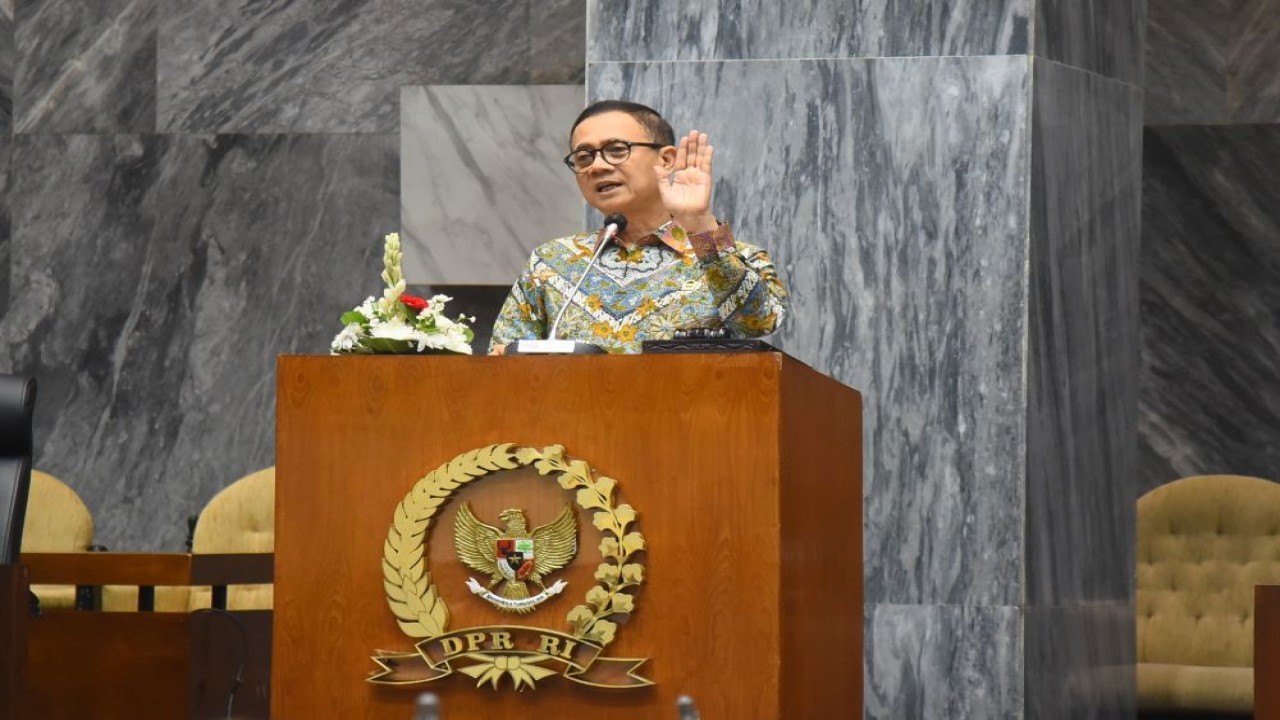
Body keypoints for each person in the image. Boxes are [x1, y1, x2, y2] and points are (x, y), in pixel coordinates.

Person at [489, 100, 788, 354]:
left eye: (617, 150)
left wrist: (700, 226)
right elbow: (500, 362)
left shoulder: (736, 254)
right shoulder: (551, 262)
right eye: (584, 157)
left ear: (667, 159)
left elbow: (759, 322)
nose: (597, 166)